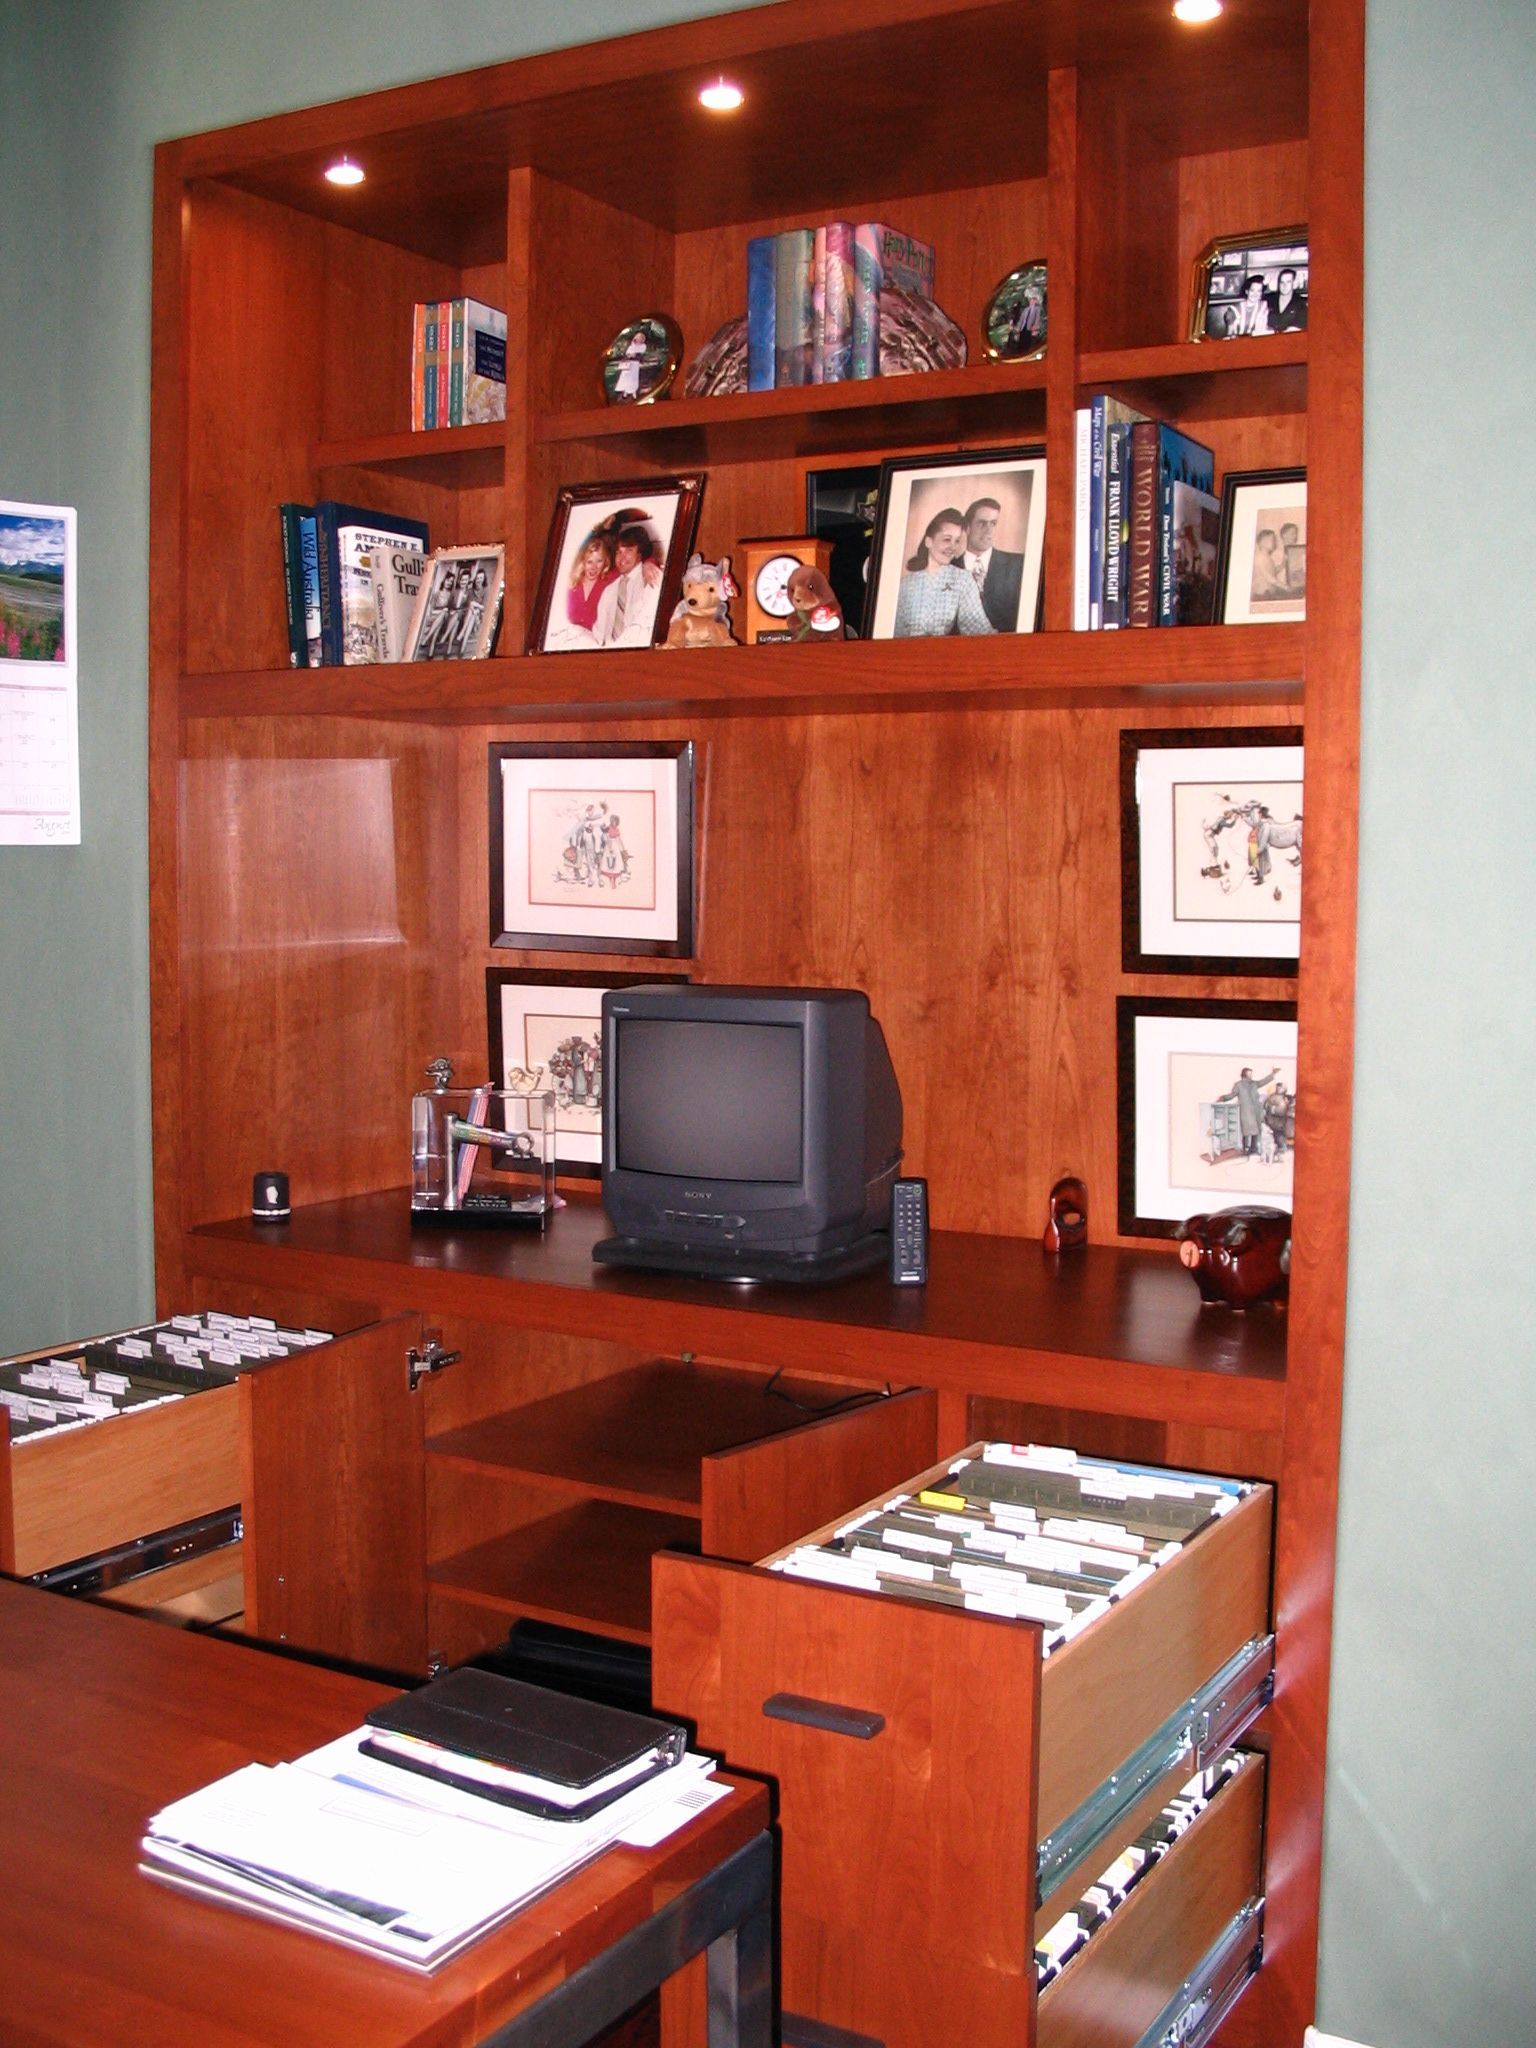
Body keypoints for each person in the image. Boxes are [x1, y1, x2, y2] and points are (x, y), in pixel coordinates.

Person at [891, 507, 994, 638]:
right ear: (929, 541)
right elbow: (892, 631)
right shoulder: (905, 585)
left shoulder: (963, 579)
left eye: (957, 541)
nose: (953, 547)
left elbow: (977, 627)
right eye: (947, 539)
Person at [957, 496, 1023, 632]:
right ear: (967, 528)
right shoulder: (948, 568)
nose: (989, 531)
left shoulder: (1019, 564)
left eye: (993, 523)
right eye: (982, 524)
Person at [591, 525, 664, 646]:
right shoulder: (609, 591)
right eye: (618, 552)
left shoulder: (650, 579)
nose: (621, 557)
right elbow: (598, 633)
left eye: (629, 550)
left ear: (640, 554)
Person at [1215, 1066, 1280, 1158]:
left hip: (1256, 1111)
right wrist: (1223, 1098)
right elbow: (1232, 1094)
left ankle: (1253, 1148)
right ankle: (1245, 1149)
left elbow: (1263, 1081)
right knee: (1245, 1131)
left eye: (1251, 1073)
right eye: (1249, 1074)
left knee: (1256, 1131)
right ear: (1244, 1074)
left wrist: (1273, 1074)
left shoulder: (1254, 1083)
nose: (1251, 1075)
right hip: (1246, 1111)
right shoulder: (1238, 1085)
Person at [565, 533, 617, 634]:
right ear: (582, 562)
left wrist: (649, 563)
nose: (594, 567)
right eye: (589, 562)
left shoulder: (607, 580)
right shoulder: (570, 583)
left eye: (599, 561)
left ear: (605, 562)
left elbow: (632, 565)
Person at [613, 328, 649, 401]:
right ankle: (625, 392)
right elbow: (627, 353)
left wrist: (634, 355)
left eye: (640, 338)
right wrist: (629, 355)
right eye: (637, 337)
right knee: (626, 378)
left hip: (635, 364)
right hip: (628, 364)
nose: (638, 339)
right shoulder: (631, 345)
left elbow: (640, 354)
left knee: (633, 378)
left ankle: (633, 392)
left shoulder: (643, 346)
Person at [1269, 265, 1307, 331]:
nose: (1284, 286)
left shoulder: (1301, 303)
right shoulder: (1270, 299)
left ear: (1294, 283)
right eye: (1282, 282)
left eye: (1288, 282)